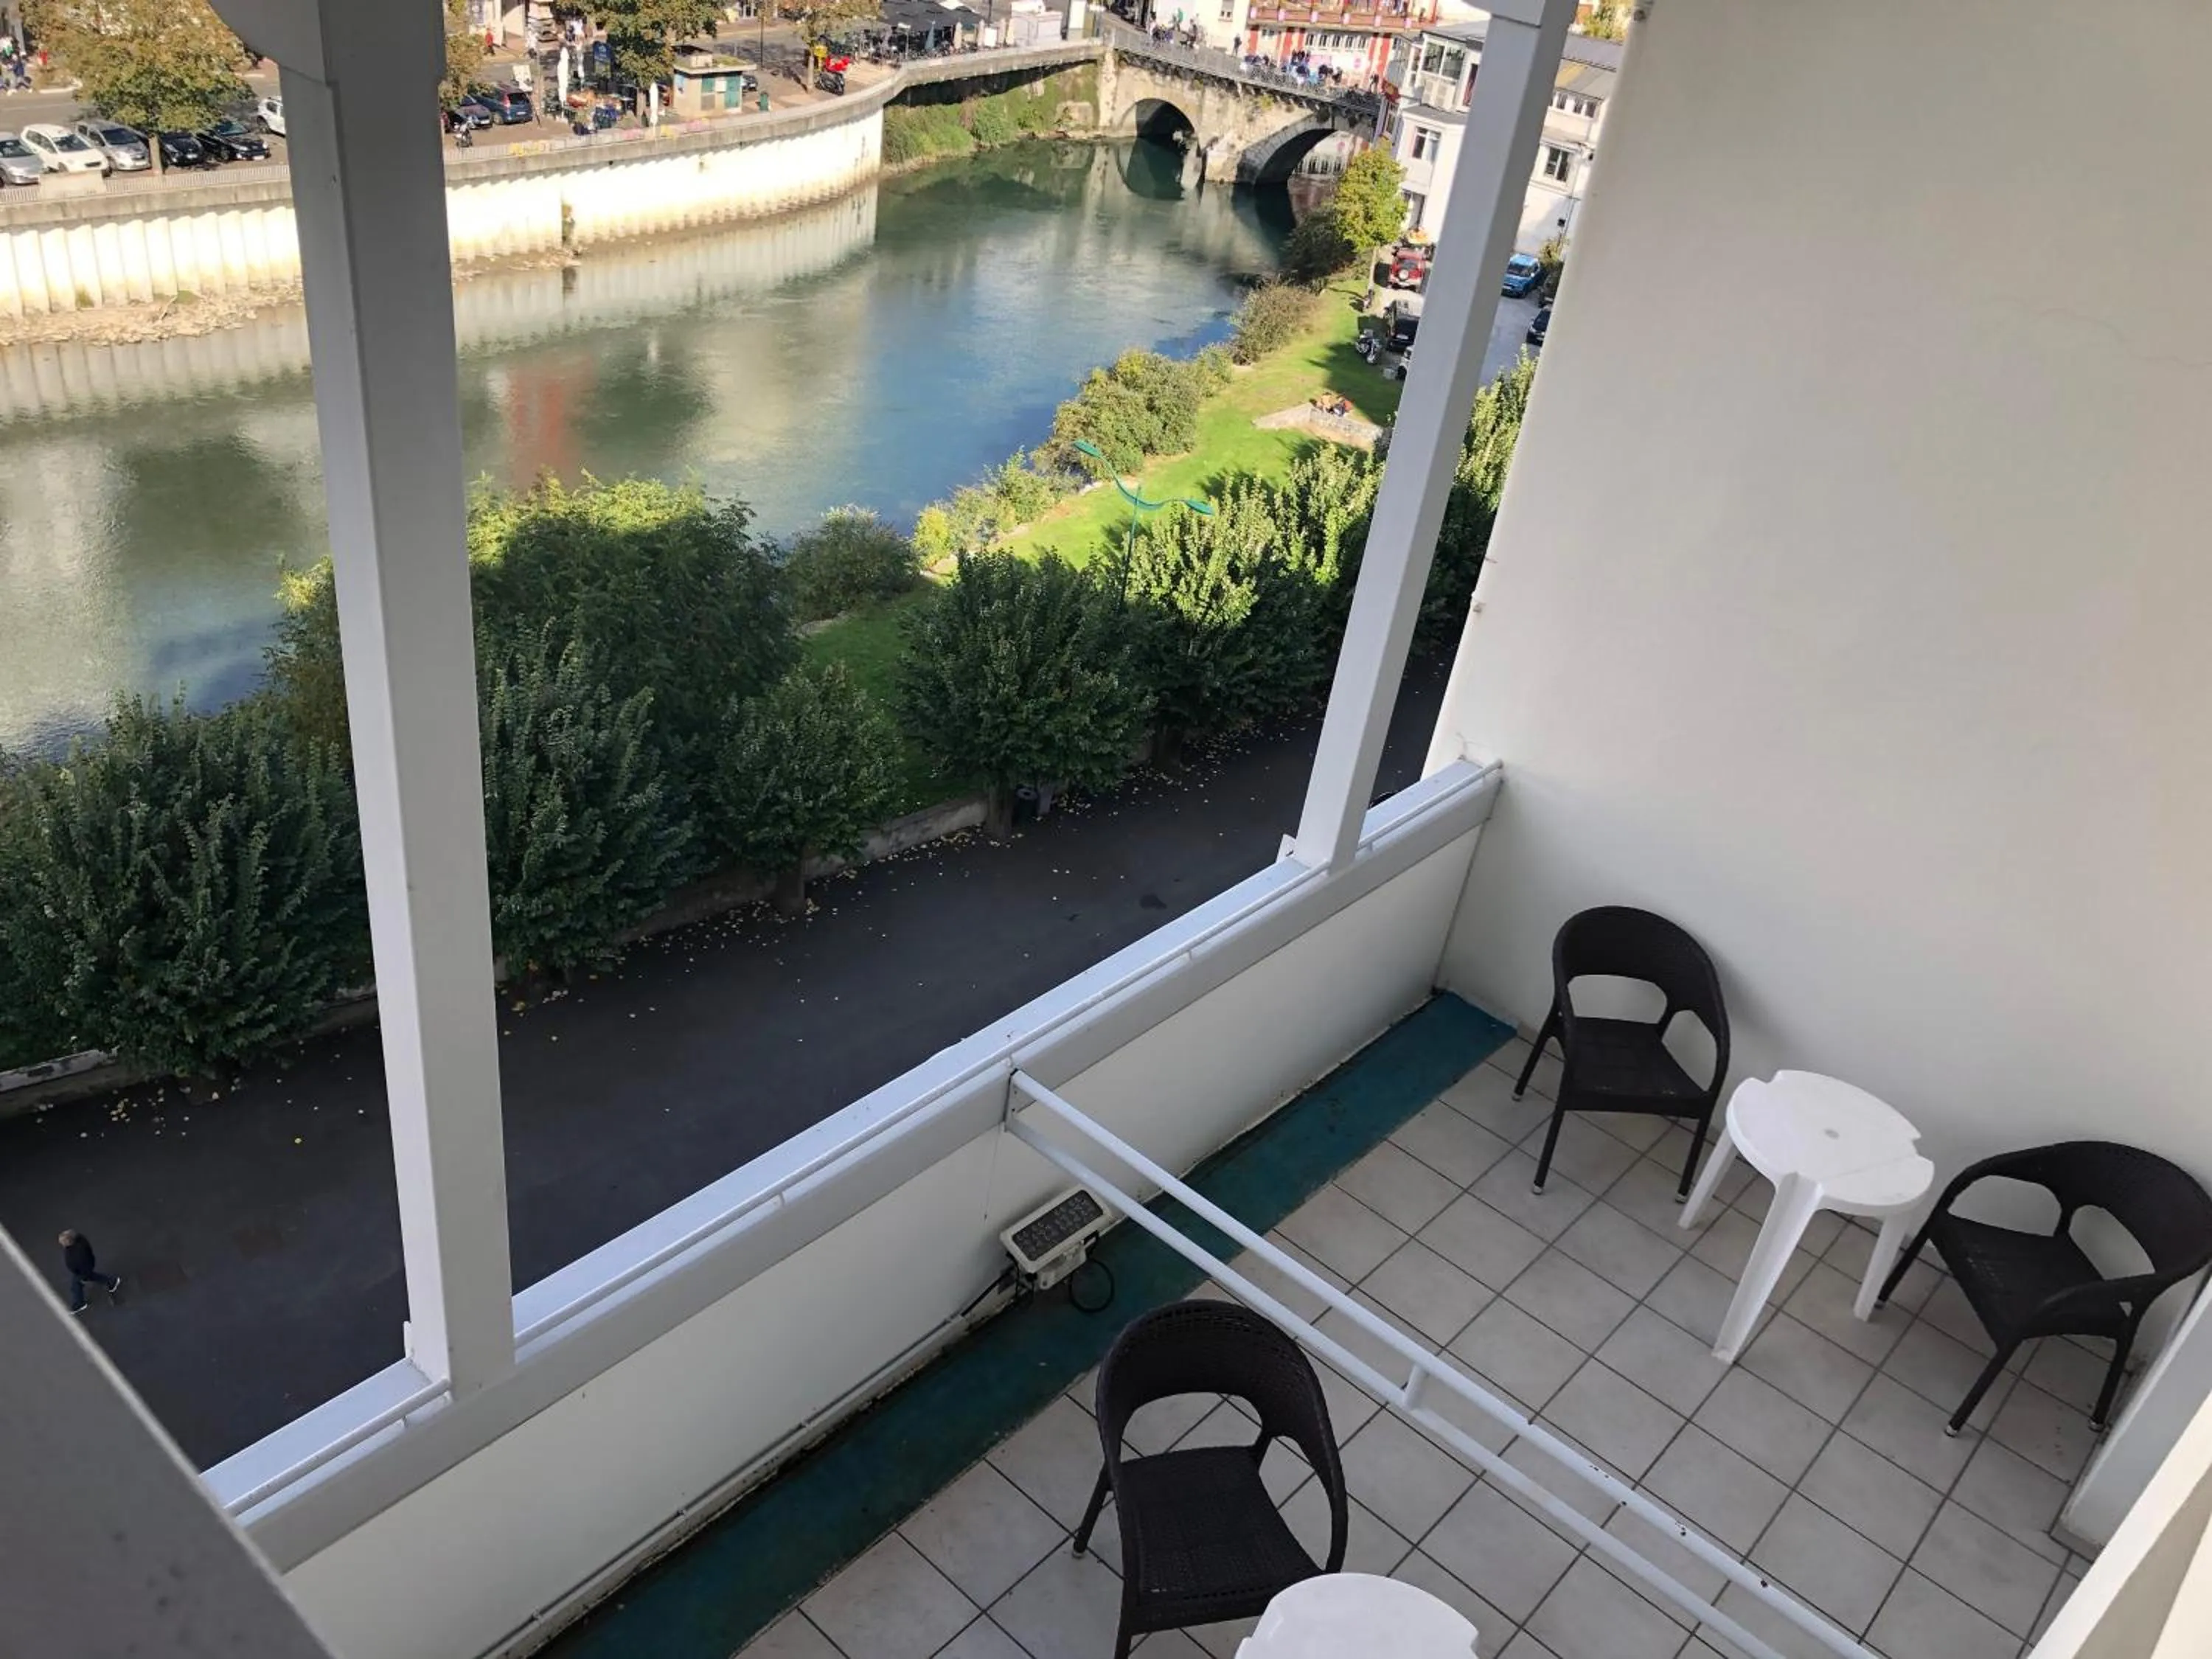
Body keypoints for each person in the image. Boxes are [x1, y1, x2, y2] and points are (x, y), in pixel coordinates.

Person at [58, 1230, 120, 1315]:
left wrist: (83, 1276)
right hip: (82, 1270)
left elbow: (83, 1265)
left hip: (81, 1271)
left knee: (76, 1285)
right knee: (90, 1277)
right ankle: (111, 1281)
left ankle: (80, 1304)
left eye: (63, 1242)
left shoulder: (79, 1252)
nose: (62, 1244)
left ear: (69, 1241)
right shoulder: (77, 1243)